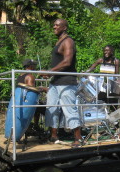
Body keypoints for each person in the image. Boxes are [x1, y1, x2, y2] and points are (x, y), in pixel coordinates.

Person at [41, 19, 82, 147]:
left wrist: (50, 71)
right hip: (55, 82)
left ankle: (78, 138)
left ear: (64, 28)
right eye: (54, 24)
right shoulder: (58, 42)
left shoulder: (68, 41)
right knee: (51, 108)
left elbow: (67, 62)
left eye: (57, 25)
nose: (54, 26)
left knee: (69, 109)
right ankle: (53, 135)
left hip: (66, 81)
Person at [17, 59, 48, 129]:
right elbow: (32, 92)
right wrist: (43, 89)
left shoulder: (20, 76)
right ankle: (50, 129)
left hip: (21, 101)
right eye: (34, 65)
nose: (35, 67)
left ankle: (36, 125)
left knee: (39, 106)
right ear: (31, 66)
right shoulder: (30, 77)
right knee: (49, 110)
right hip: (27, 102)